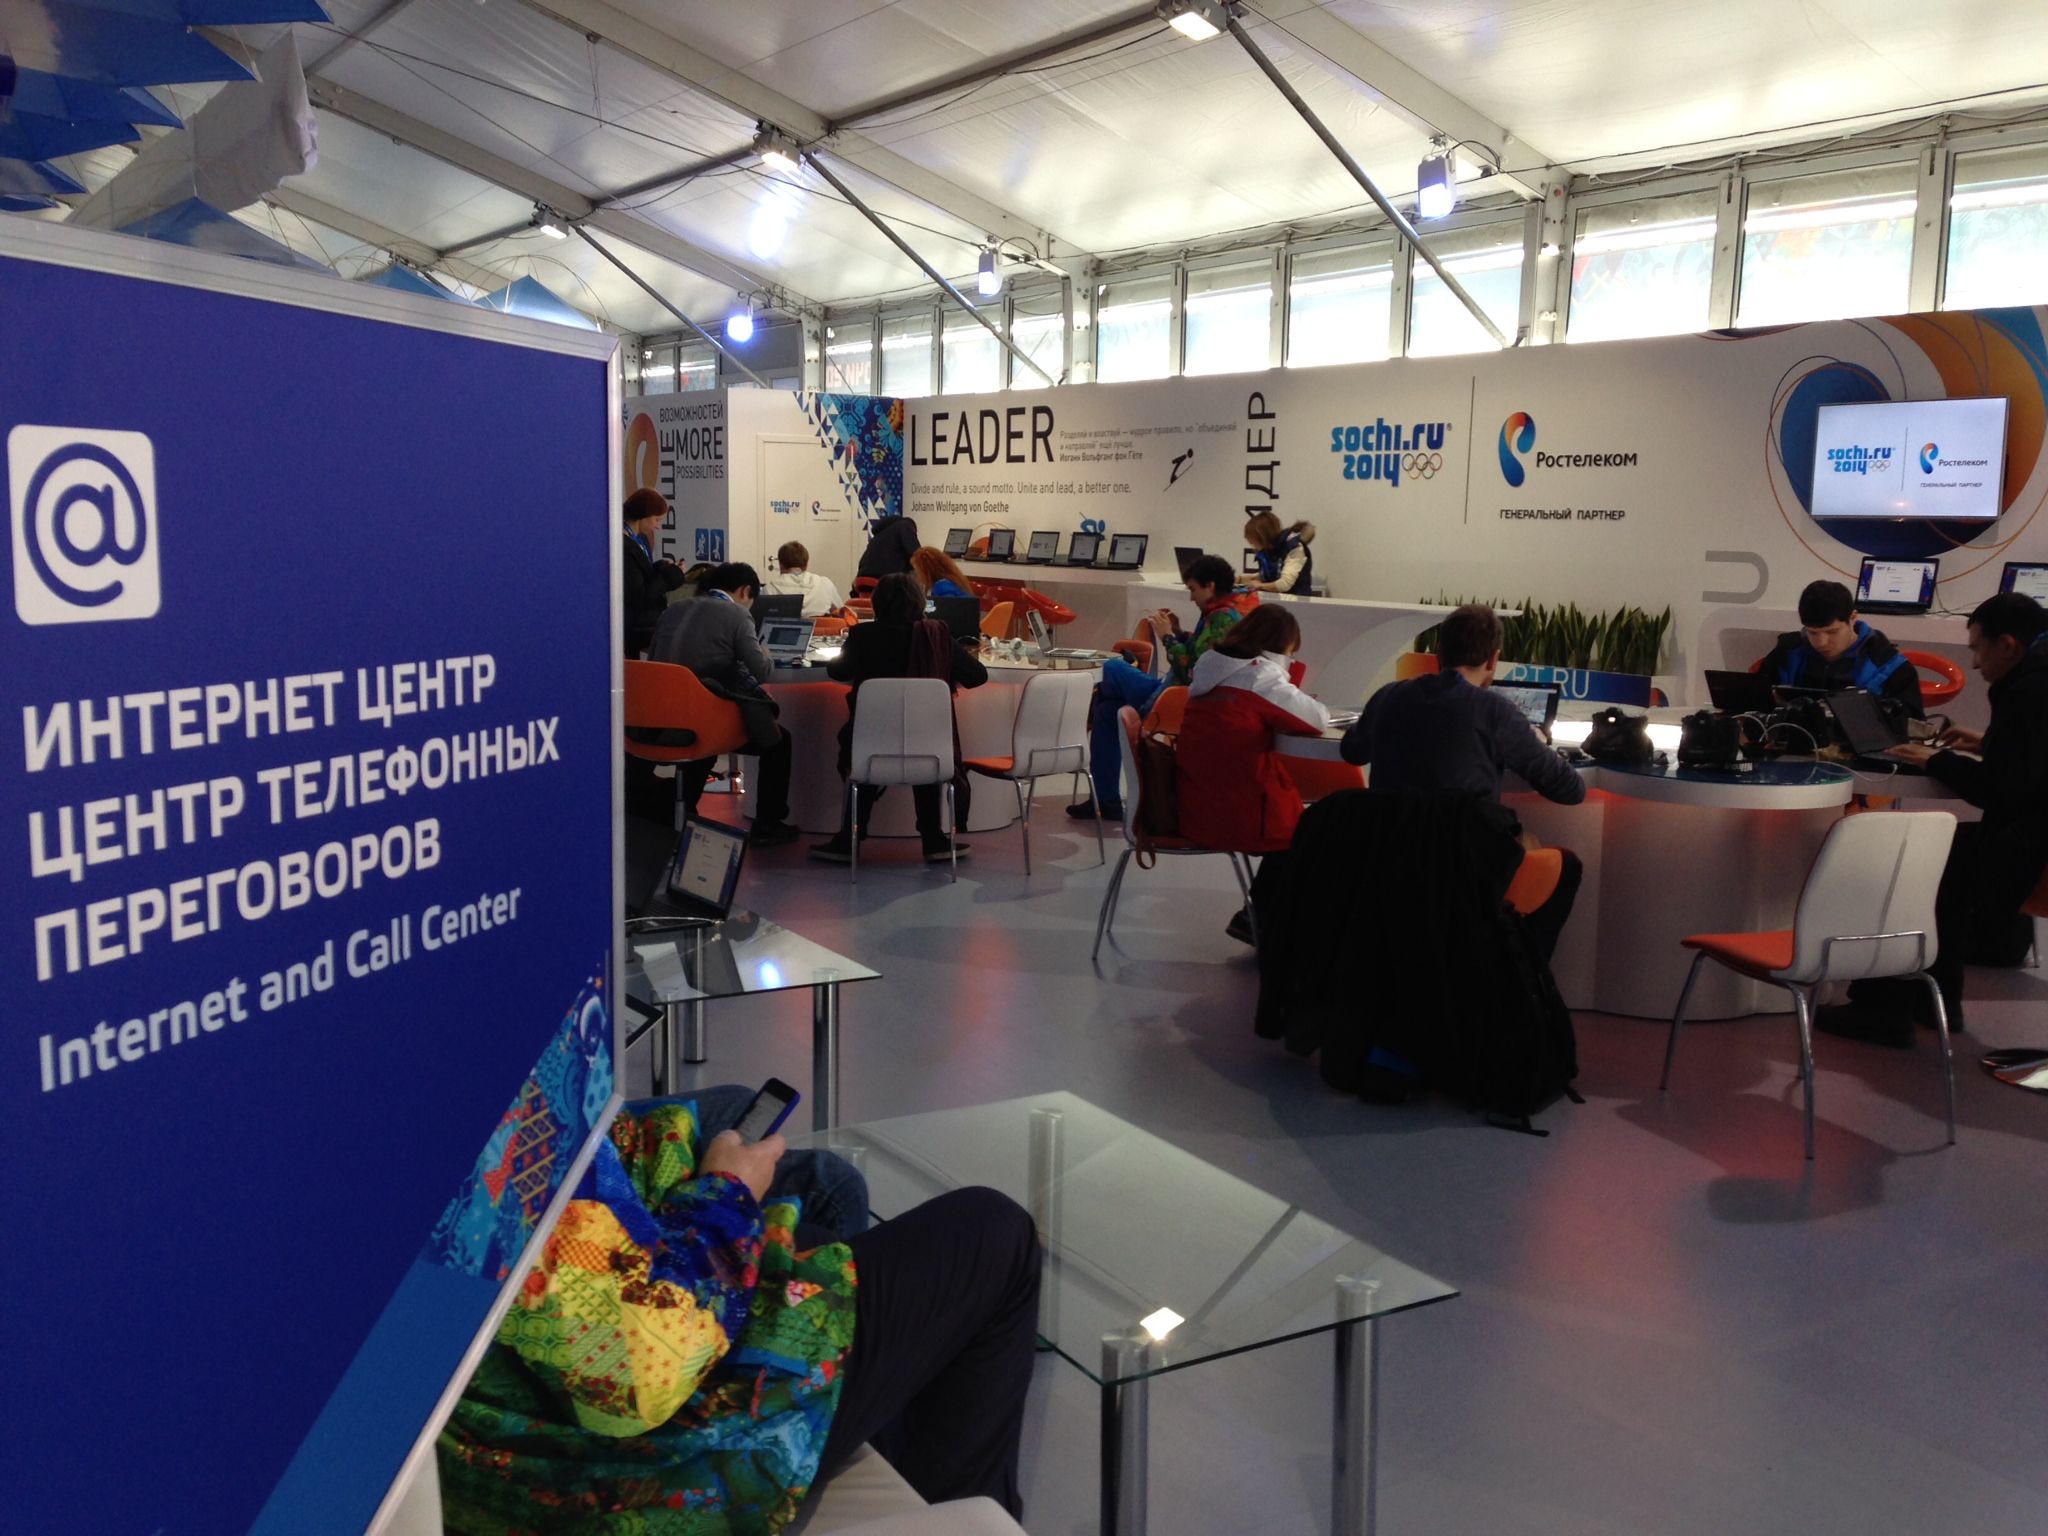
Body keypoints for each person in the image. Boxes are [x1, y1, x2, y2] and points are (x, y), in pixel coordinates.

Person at [436, 1089, 1041, 1535]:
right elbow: (633, 1375)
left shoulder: (420, 1076)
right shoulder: (474, 1111)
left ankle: (864, 1420)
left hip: (536, 1376)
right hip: (596, 1472)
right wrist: (724, 1193)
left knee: (824, 1188)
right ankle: (953, 1513)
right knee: (996, 1235)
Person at [1822, 591, 2048, 1045]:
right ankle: (1935, 1001)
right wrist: (1988, 743)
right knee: (1948, 858)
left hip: (2031, 851)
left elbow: (1998, 790)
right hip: (2035, 840)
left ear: (2007, 645)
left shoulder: (2030, 691)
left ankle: (1884, 1010)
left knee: (1912, 859)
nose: (1976, 664)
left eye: (1978, 649)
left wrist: (1936, 760)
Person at [1342, 603, 1586, 961]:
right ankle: (1515, 980)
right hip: (1468, 865)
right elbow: (1571, 790)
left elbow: (1352, 751)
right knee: (1567, 866)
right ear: (1493, 659)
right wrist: (1532, 743)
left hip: (1388, 856)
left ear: (1438, 652)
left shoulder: (1388, 696)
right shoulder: (1496, 712)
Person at [1177, 606, 1330, 944]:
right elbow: (1316, 719)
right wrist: (1284, 673)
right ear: (1280, 647)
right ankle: (1263, 919)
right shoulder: (1258, 677)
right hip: (1239, 810)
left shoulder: (1210, 668)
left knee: (1300, 830)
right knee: (1310, 832)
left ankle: (1258, 916)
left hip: (1195, 802)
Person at [813, 572, 988, 864]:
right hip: (928, 745)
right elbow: (977, 676)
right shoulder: (937, 636)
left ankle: (850, 838)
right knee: (921, 736)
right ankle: (933, 839)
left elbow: (838, 671)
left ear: (877, 603)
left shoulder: (863, 635)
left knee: (870, 739)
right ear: (919, 602)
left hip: (871, 743)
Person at [1070, 553, 1258, 822]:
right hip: (1171, 690)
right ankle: (1105, 800)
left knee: (1111, 668)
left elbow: (1192, 671)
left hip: (1177, 698)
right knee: (1107, 711)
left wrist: (1168, 637)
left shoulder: (1222, 620)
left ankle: (1082, 716)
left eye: (1193, 589)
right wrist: (1180, 633)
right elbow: (1199, 656)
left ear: (1210, 586)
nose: (1191, 597)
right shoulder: (1222, 615)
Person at [648, 563, 800, 847]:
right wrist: (765, 652)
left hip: (659, 721)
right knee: (779, 741)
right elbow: (761, 671)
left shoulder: (673, 610)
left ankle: (681, 806)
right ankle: (768, 823)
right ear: (745, 591)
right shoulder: (737, 614)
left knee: (704, 732)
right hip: (702, 723)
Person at [1756, 578, 1925, 717]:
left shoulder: (1890, 665)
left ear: (1853, 618)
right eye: (1812, 632)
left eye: (1832, 632)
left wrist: (1873, 710)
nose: (1821, 642)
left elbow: (1913, 728)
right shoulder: (1787, 652)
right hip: (1792, 742)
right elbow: (1753, 706)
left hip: (1863, 746)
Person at [622, 488, 685, 656]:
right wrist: (670, 575)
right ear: (643, 515)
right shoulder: (625, 546)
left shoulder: (634, 542)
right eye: (657, 519)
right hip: (634, 629)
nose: (658, 526)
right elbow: (640, 594)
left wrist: (658, 568)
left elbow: (638, 576)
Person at [764, 540, 844, 618]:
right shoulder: (825, 584)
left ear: (781, 564)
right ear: (806, 564)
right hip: (820, 627)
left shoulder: (770, 590)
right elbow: (842, 613)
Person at [1243, 511, 1316, 596]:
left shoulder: (1294, 547)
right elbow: (1271, 574)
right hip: (1276, 599)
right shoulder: (1267, 550)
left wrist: (1259, 585)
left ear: (1262, 536)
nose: (1251, 543)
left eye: (1252, 540)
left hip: (1297, 600)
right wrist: (1242, 579)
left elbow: (1284, 584)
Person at [856, 512, 921, 581]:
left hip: (861, 580)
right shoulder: (906, 525)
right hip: (885, 580)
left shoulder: (878, 536)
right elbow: (916, 555)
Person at [909, 544, 975, 599]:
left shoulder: (943, 587)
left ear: (926, 571)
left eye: (917, 570)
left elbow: (946, 608)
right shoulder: (952, 580)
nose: (917, 574)